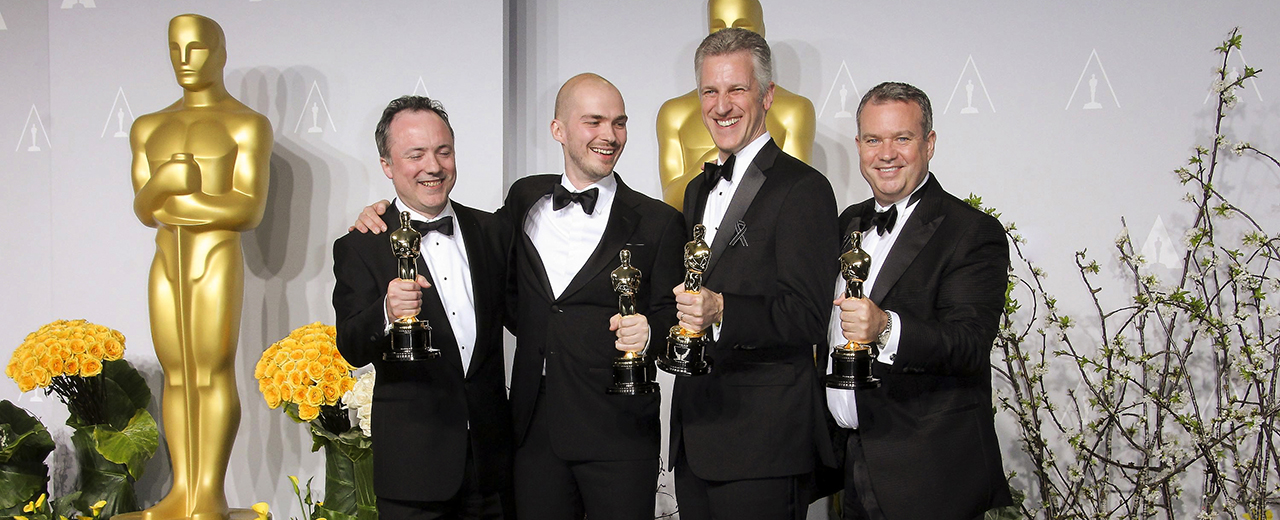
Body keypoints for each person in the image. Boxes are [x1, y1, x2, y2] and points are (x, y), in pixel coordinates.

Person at [351, 74, 687, 520]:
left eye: (619, 122)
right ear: (559, 130)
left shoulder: (659, 221)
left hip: (619, 430)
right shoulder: (523, 200)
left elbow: (674, 318)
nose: (609, 135)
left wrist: (651, 331)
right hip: (531, 434)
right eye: (593, 121)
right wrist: (386, 215)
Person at [667, 27, 838, 520]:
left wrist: (722, 310)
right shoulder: (697, 191)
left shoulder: (804, 189)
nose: (722, 105)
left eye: (736, 89)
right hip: (696, 436)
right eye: (710, 91)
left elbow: (806, 315)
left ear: (767, 96)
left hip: (763, 444)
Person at [828, 82, 1013, 519]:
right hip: (850, 464)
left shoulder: (970, 232)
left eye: (902, 138)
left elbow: (968, 344)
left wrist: (886, 328)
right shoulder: (847, 222)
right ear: (859, 146)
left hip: (930, 477)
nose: (886, 153)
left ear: (929, 144)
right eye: (873, 140)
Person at [332, 96, 513, 519]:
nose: (433, 166)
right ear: (386, 165)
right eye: (415, 154)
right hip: (413, 472)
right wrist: (387, 313)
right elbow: (351, 346)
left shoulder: (492, 230)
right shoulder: (362, 245)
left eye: (443, 151)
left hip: (492, 469)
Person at [129, 14, 271, 520]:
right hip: (167, 259)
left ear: (221, 51)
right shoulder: (148, 126)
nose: (185, 61)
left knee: (210, 371)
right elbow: (145, 209)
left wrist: (175, 202)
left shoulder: (245, 123)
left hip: (214, 257)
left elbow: (247, 209)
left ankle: (207, 492)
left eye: (197, 49)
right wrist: (167, 180)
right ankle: (181, 492)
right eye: (175, 49)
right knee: (175, 374)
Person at [655, 0, 815, 210]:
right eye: (718, 27)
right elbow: (670, 203)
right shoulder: (675, 113)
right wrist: (713, 162)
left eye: (742, 26)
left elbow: (791, 196)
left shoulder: (795, 111)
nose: (722, 107)